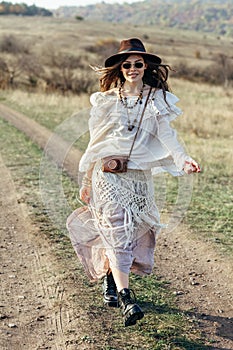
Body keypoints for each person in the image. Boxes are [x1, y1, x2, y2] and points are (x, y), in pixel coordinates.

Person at [66, 38, 200, 327]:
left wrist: (183, 159)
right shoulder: (106, 100)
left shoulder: (157, 99)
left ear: (146, 66)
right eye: (126, 64)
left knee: (129, 233)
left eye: (138, 63)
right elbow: (96, 142)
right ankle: (127, 297)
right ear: (120, 67)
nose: (133, 68)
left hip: (138, 178)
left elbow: (167, 135)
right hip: (106, 176)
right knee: (115, 226)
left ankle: (112, 279)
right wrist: (86, 179)